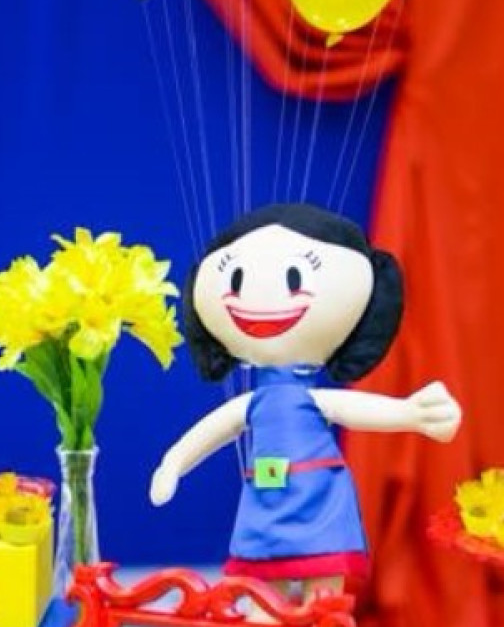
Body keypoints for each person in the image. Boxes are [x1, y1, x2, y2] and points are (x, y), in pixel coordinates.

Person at [150, 203, 461, 606]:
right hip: (265, 506)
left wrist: (409, 414)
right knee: (265, 595)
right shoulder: (253, 404)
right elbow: (214, 429)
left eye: (295, 278)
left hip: (318, 502)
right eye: (236, 279)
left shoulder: (309, 399)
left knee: (323, 596)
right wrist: (173, 463)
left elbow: (352, 409)